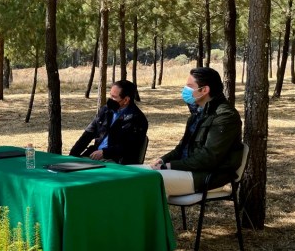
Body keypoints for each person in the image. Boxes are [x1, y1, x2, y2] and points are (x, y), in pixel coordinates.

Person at [149, 67, 243, 196]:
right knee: (131, 175)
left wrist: (170, 166)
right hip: (186, 170)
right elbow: (182, 148)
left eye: (189, 86)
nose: (185, 90)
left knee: (142, 182)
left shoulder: (225, 116)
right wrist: (163, 160)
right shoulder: (198, 113)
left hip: (206, 177)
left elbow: (208, 158)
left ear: (204, 90)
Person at [69, 80, 148, 164]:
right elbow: (88, 134)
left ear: (126, 100)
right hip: (94, 155)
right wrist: (72, 155)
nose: (110, 99)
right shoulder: (105, 110)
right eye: (110, 95)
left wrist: (105, 153)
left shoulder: (138, 119)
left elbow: (129, 146)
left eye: (114, 97)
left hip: (117, 161)